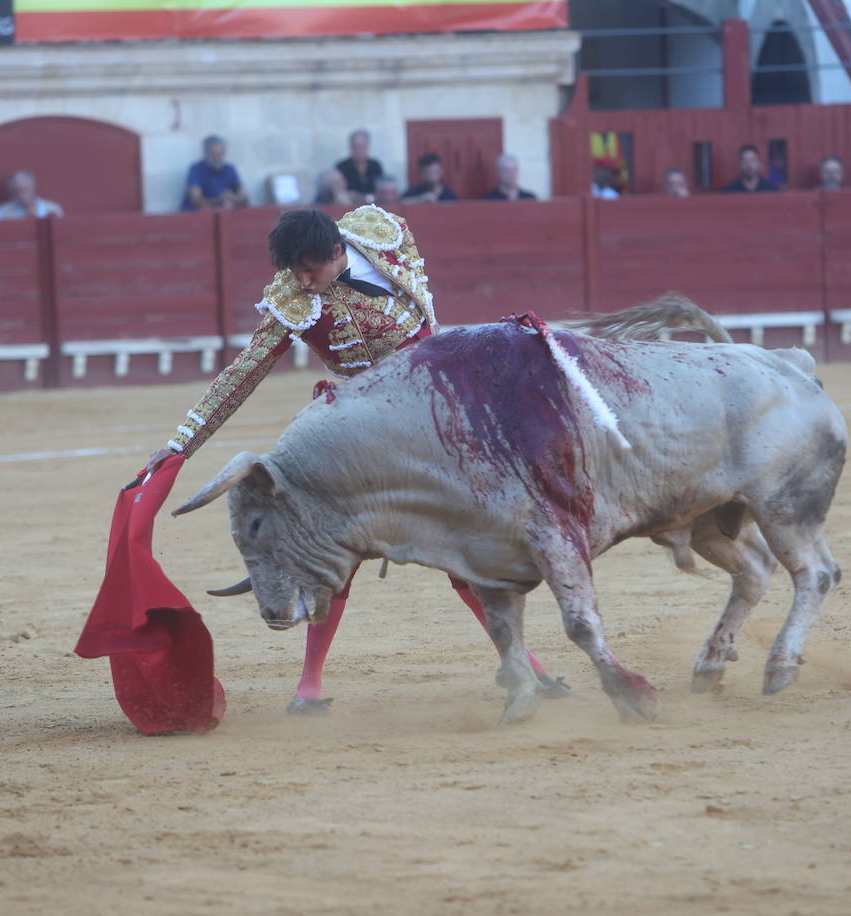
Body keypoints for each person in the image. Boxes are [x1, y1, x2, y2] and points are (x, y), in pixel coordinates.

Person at [144, 206, 564, 713]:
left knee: (468, 550)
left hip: (439, 417)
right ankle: (309, 688)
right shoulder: (291, 300)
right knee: (335, 554)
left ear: (339, 252)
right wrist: (181, 444)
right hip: (361, 430)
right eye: (294, 273)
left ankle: (528, 668)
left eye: (311, 271)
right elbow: (244, 372)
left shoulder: (380, 232)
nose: (303, 282)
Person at [181, 135, 248, 211]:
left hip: (223, 216)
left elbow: (244, 197)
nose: (217, 158)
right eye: (213, 154)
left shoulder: (230, 169)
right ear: (206, 153)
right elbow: (195, 200)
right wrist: (220, 200)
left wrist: (233, 198)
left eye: (221, 154)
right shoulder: (196, 169)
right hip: (198, 218)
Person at [0, 171, 64, 219]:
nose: (22, 194)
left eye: (26, 189)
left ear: (33, 188)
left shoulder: (53, 209)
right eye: (18, 190)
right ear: (12, 192)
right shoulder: (1, 213)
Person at [336, 129, 383, 198]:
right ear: (351, 147)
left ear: (368, 146)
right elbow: (340, 194)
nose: (359, 150)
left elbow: (381, 192)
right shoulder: (341, 167)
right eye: (356, 147)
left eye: (362, 146)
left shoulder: (375, 166)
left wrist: (362, 197)